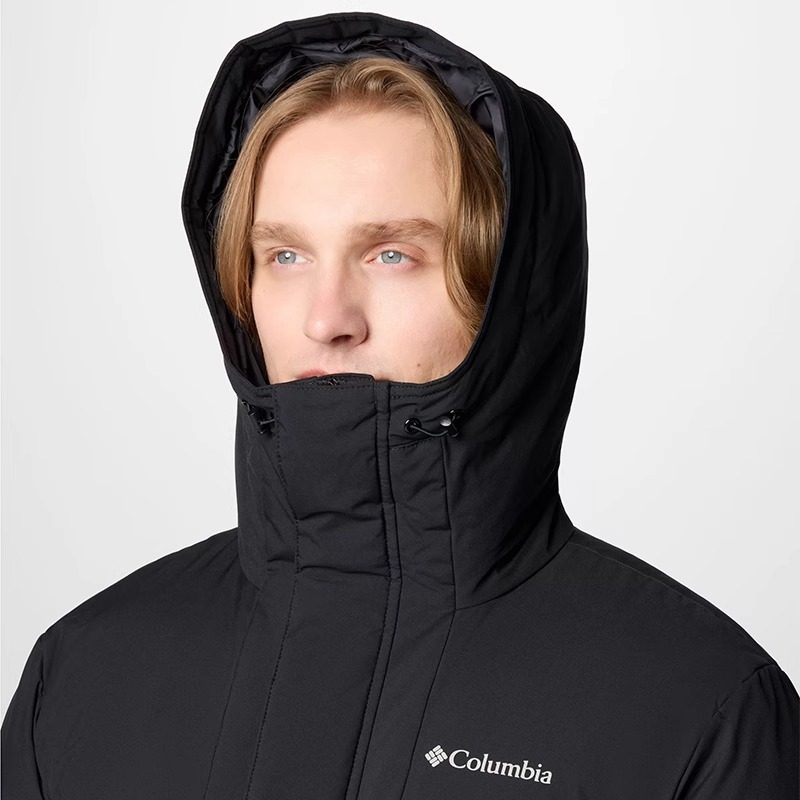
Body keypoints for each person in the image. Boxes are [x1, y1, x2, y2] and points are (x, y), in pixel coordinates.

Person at [2, 10, 798, 799]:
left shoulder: (698, 711)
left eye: (391, 254)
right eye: (285, 255)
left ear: (507, 295)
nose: (326, 318)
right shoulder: (79, 681)